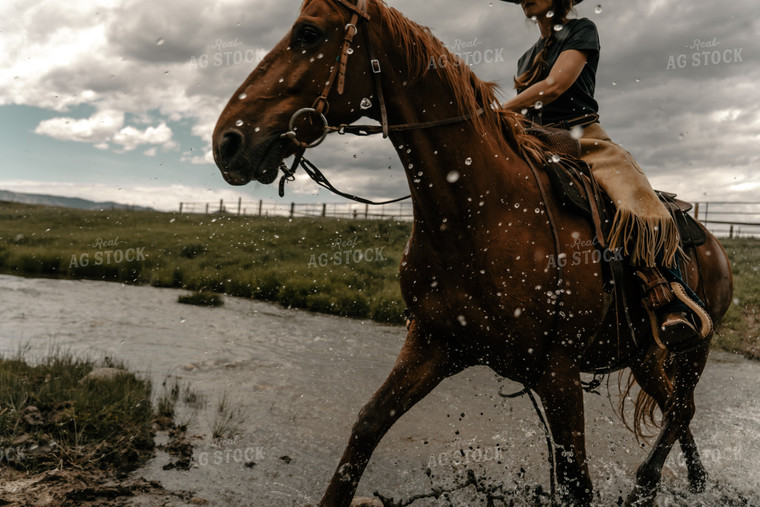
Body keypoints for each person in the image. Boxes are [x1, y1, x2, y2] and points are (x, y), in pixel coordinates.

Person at [499, 0, 712, 352]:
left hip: (582, 138)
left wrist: (494, 110)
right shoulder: (526, 57)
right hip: (536, 141)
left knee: (636, 201)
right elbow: (528, 111)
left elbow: (555, 85)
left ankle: (668, 293)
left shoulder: (580, 30)